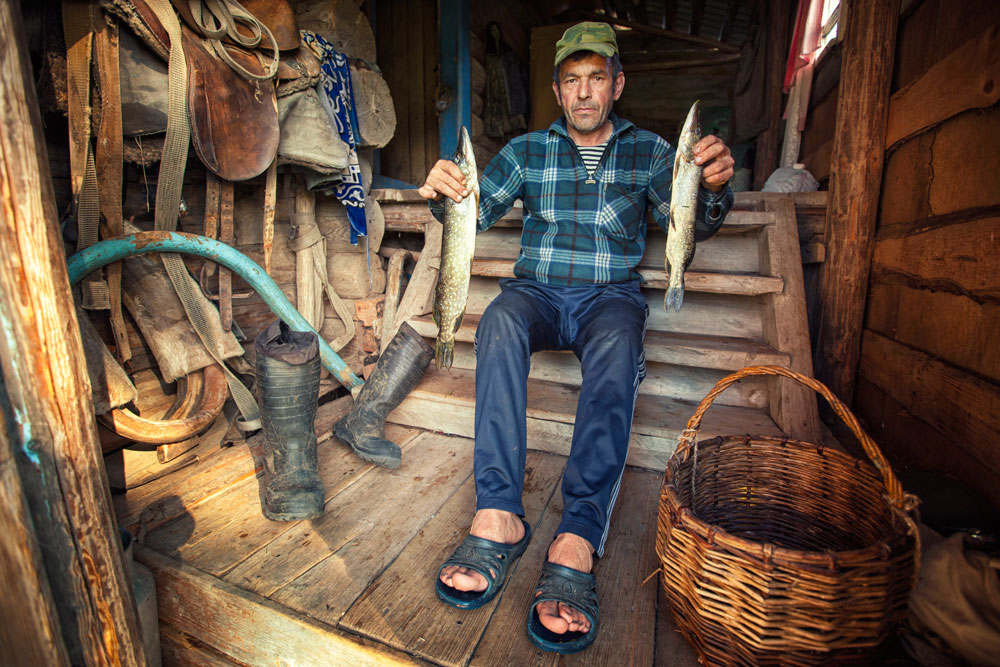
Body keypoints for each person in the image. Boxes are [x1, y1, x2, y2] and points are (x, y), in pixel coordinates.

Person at [418, 21, 734, 654]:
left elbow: (686, 218)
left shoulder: (650, 152)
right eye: (571, 81)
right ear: (558, 91)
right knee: (500, 320)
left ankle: (579, 532)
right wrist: (444, 191)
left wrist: (715, 187)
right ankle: (500, 513)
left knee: (620, 344)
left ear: (617, 84)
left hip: (607, 299)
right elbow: (472, 213)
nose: (584, 92)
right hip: (536, 295)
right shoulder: (526, 151)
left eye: (596, 78)